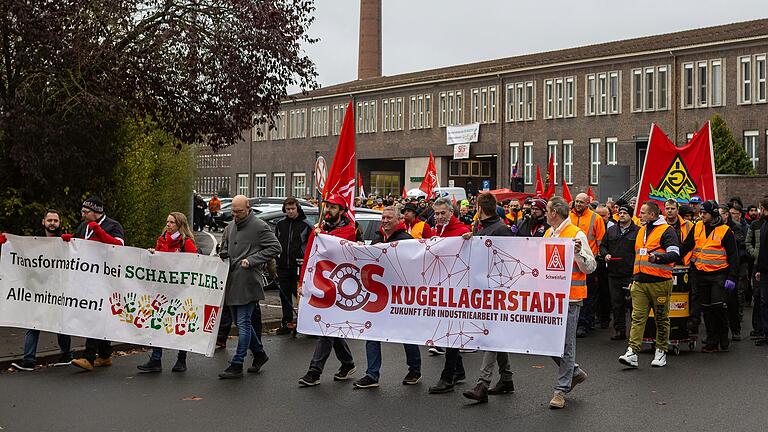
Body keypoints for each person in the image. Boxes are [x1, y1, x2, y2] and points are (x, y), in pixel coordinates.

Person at [353, 206, 422, 389]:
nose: (385, 220)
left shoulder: (406, 240)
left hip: (400, 296)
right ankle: (372, 374)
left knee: (406, 333)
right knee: (372, 333)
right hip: (379, 296)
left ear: (399, 220)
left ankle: (415, 369)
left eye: (389, 217)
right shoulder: (377, 237)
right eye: (383, 217)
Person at [218, 195, 281, 379]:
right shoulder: (230, 226)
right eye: (233, 211)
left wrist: (253, 260)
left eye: (239, 211)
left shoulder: (260, 226)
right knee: (239, 322)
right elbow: (226, 247)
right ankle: (260, 354)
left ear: (248, 208)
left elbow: (275, 248)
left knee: (244, 322)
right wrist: (223, 253)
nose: (235, 215)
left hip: (248, 282)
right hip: (231, 281)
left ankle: (237, 362)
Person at [298, 194, 358, 387]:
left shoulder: (349, 230)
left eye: (333, 207)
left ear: (341, 211)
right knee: (331, 327)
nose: (329, 211)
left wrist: (321, 236)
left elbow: (337, 248)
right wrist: (302, 282)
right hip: (321, 285)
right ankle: (347, 363)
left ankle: (314, 372)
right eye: (327, 206)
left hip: (342, 288)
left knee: (327, 328)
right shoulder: (319, 231)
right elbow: (309, 256)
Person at [462, 193, 516, 403]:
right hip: (483, 289)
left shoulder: (500, 229)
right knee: (496, 334)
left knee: (490, 335)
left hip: (497, 291)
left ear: (479, 207)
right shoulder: (480, 228)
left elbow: (508, 261)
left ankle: (482, 384)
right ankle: (507, 379)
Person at [543, 196, 596, 409]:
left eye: (547, 210)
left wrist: (577, 254)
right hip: (550, 299)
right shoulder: (549, 234)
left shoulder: (576, 234)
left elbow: (590, 267)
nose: (546, 213)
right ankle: (574, 372)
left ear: (554, 212)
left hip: (571, 298)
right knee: (546, 343)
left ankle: (560, 390)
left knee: (566, 344)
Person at [8, 210, 73, 371]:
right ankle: (29, 359)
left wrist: (69, 244)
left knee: (61, 322)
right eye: (49, 220)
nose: (52, 223)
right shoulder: (33, 243)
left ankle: (66, 355)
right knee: (33, 322)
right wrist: (7, 244)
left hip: (59, 289)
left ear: (60, 223)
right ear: (43, 222)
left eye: (55, 220)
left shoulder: (67, 243)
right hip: (39, 289)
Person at [618, 201, 680, 368]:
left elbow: (675, 254)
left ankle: (661, 351)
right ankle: (632, 352)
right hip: (640, 282)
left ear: (653, 215)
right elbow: (638, 257)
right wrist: (634, 279)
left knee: (661, 319)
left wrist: (657, 258)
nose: (640, 215)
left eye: (643, 212)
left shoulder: (667, 231)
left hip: (659, 282)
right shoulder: (641, 231)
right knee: (637, 318)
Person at [136, 212, 197, 373]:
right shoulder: (162, 240)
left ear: (179, 225)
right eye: (167, 222)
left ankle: (181, 359)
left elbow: (194, 264)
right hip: (161, 289)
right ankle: (156, 359)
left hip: (179, 291)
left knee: (179, 322)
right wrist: (152, 255)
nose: (168, 224)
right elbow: (156, 264)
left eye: (171, 222)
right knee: (157, 323)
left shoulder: (186, 243)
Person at [70, 197, 126, 372]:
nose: (83, 214)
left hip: (105, 279)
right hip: (86, 278)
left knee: (94, 315)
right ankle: (104, 355)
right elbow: (77, 246)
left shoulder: (113, 225)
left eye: (86, 212)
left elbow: (119, 246)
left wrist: (100, 232)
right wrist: (67, 242)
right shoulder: (83, 226)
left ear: (96, 212)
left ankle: (89, 357)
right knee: (97, 316)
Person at [679, 200, 739, 352]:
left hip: (718, 274)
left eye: (704, 213)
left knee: (718, 306)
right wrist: (672, 256)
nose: (701, 215)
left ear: (712, 214)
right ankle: (711, 340)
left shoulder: (725, 231)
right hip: (700, 274)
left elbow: (733, 256)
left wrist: (732, 277)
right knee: (706, 308)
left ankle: (723, 335)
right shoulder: (697, 226)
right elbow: (686, 246)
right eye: (701, 213)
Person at [427, 197, 472, 395]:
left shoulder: (461, 232)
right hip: (442, 288)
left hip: (457, 288)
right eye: (436, 214)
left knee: (450, 332)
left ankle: (447, 378)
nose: (438, 217)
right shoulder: (436, 231)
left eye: (442, 213)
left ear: (451, 213)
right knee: (446, 330)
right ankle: (459, 371)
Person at [600, 204, 640, 341]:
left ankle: (636, 333)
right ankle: (619, 330)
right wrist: (605, 254)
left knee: (634, 305)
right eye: (620, 212)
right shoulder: (611, 230)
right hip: (614, 273)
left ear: (631, 215)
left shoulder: (638, 231)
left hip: (631, 273)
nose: (622, 214)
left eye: (625, 213)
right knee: (617, 304)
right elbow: (603, 246)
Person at [274, 198, 313, 335]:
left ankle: (306, 323)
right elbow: (276, 243)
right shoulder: (280, 224)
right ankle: (287, 322)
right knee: (284, 295)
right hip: (283, 265)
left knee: (300, 296)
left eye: (293, 209)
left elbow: (312, 246)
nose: (290, 212)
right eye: (288, 209)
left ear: (298, 208)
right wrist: (276, 259)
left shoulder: (306, 225)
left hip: (299, 267)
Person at [570, 193, 606, 337]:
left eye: (581, 202)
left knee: (588, 295)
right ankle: (578, 323)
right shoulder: (569, 217)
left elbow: (601, 240)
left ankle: (585, 323)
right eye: (576, 201)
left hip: (589, 262)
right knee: (575, 296)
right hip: (572, 263)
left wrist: (596, 259)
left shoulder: (595, 218)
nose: (578, 204)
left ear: (587, 203)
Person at [746, 200, 767, 342]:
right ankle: (760, 329)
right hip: (760, 266)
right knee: (759, 298)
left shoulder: (764, 224)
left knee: (764, 299)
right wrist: (756, 257)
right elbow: (749, 243)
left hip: (763, 267)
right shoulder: (758, 224)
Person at [664, 199, 693, 265]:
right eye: (667, 208)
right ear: (664, 210)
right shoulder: (659, 225)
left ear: (677, 210)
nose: (670, 211)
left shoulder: (688, 225)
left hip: (684, 263)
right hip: (665, 264)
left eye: (672, 208)